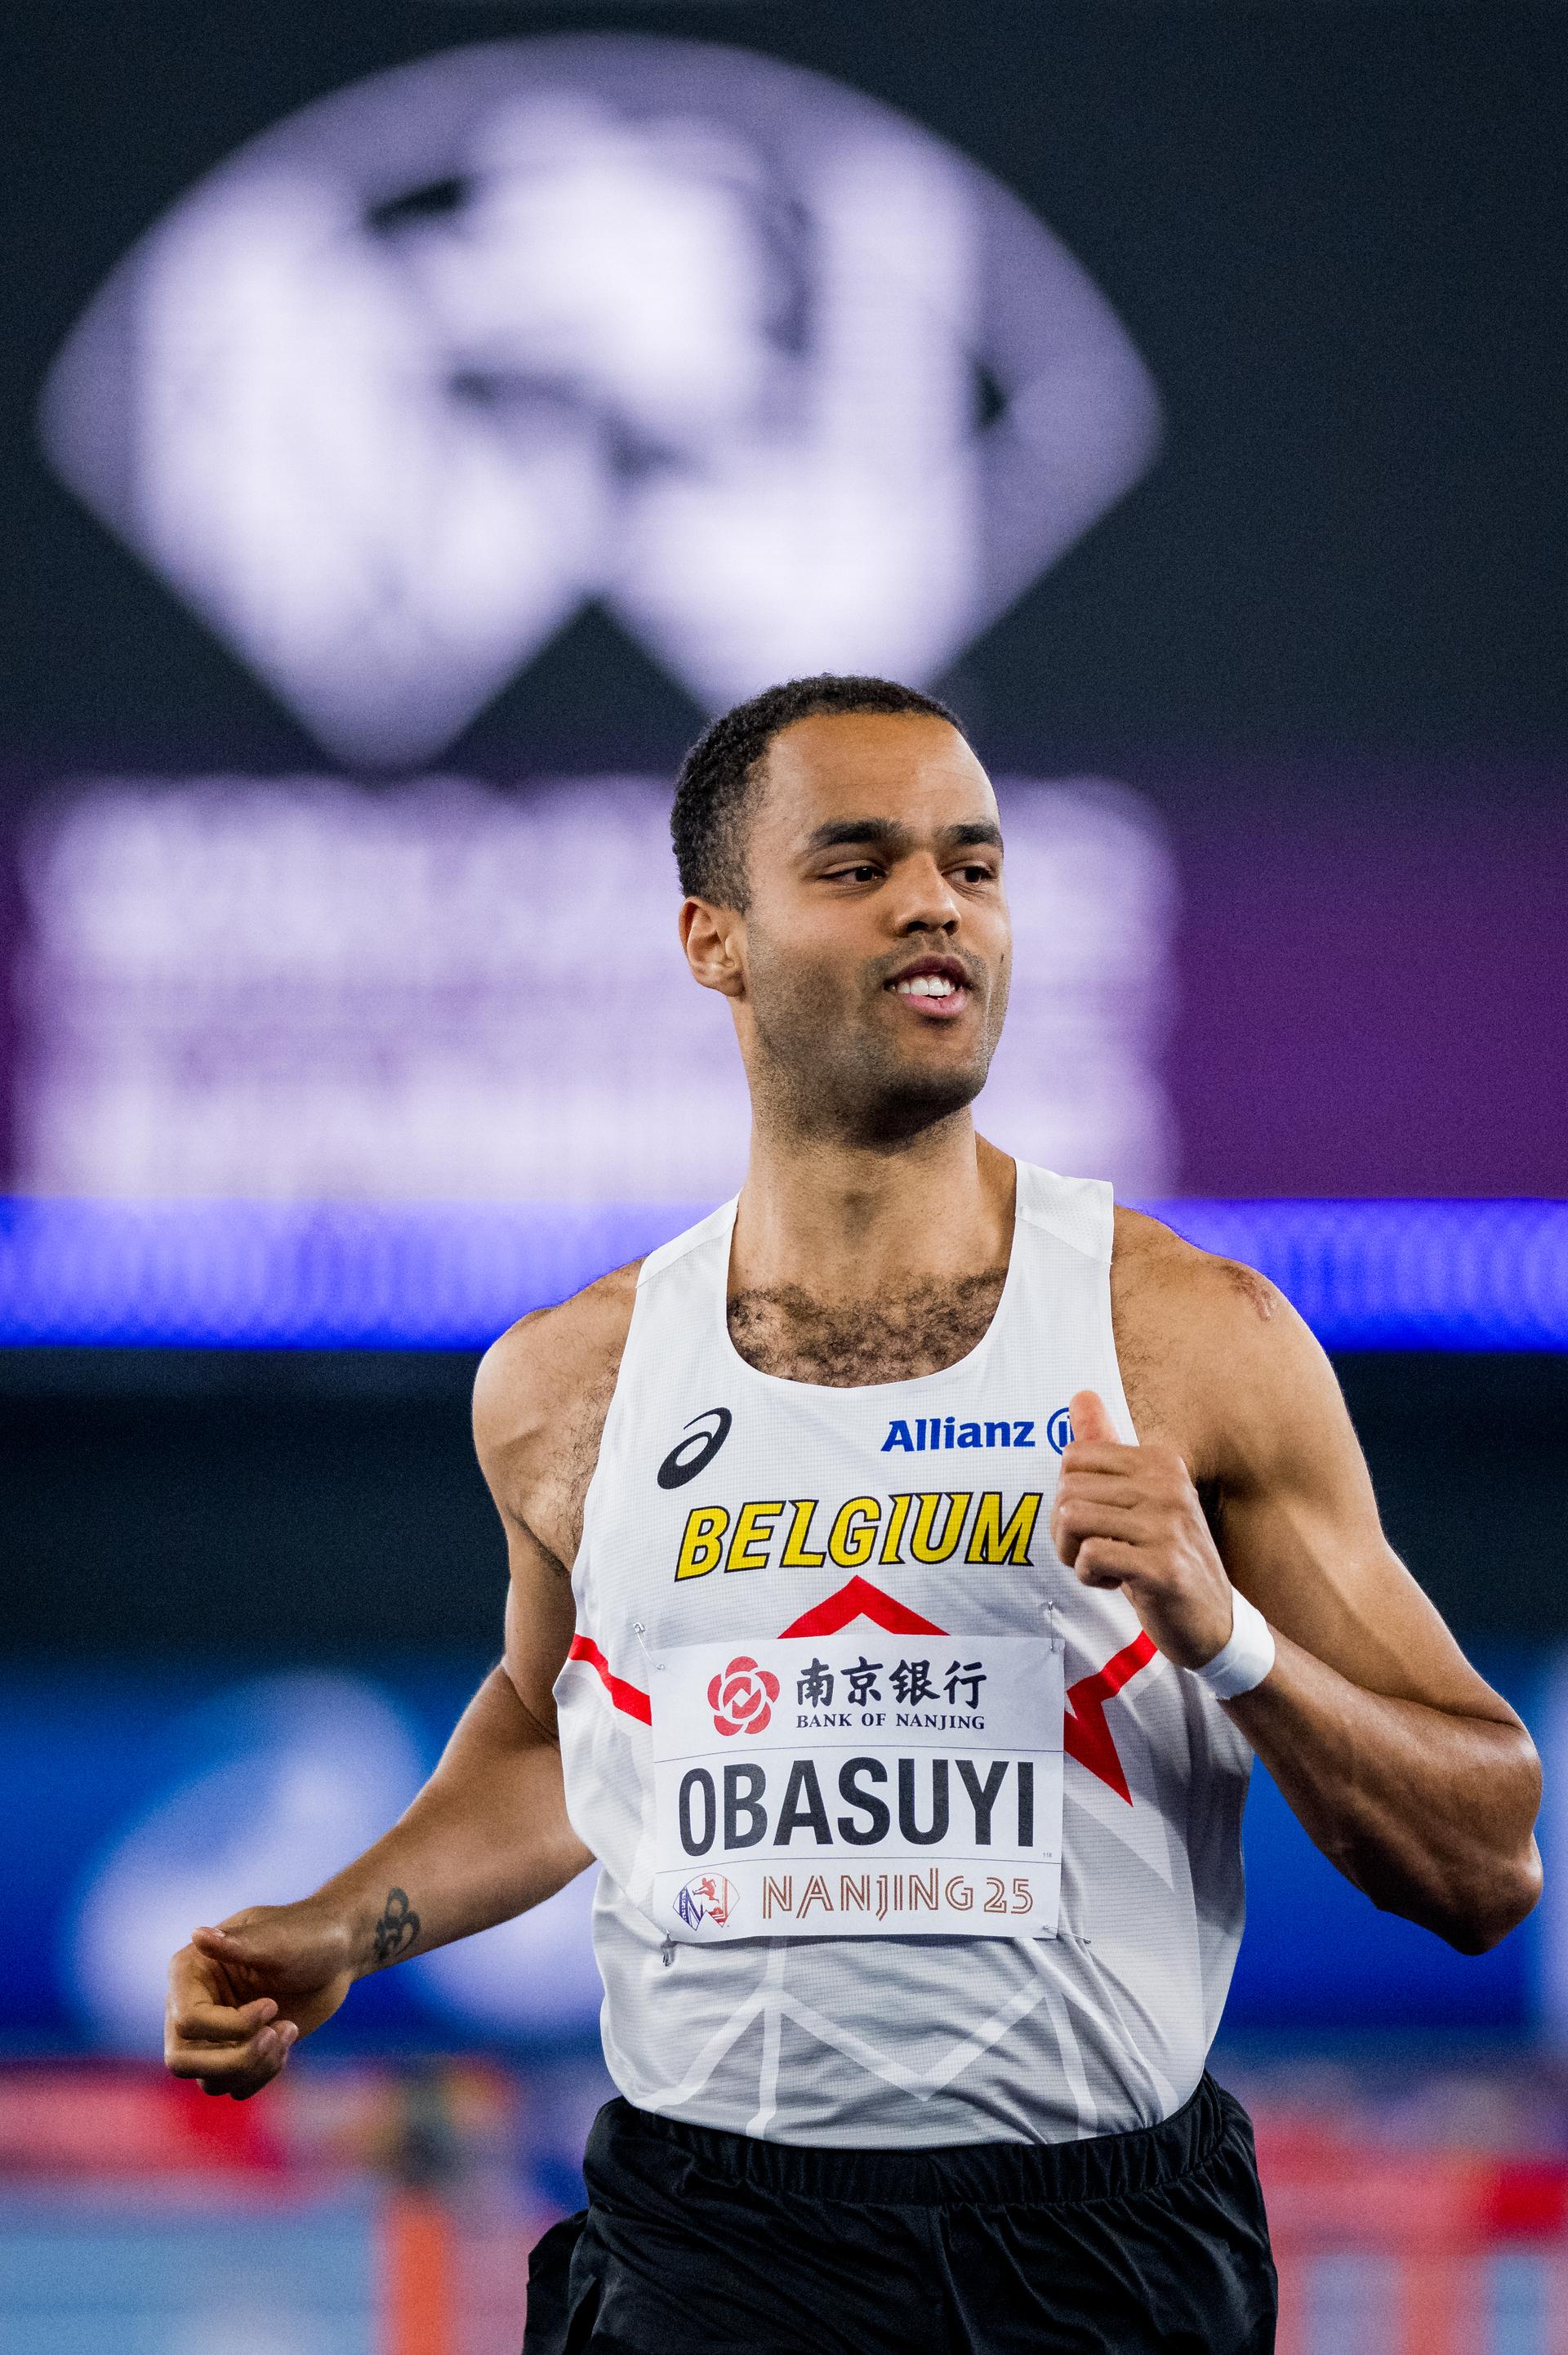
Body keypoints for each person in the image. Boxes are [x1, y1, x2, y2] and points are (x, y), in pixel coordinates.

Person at [165, 676, 1542, 2354]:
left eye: (974, 861)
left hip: (1097, 2267)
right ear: (713, 937)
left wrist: (1228, 1635)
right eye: (859, 862)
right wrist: (341, 1921)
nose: (934, 901)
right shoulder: (567, 1382)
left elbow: (1487, 1856)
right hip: (705, 2255)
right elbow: (559, 1730)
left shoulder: (1190, 1340)